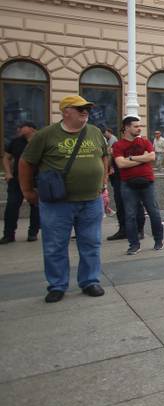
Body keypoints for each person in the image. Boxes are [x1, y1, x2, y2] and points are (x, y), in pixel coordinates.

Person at [18, 95, 109, 303]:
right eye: (80, 108)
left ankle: (90, 280)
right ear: (66, 111)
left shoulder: (94, 132)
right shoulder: (46, 135)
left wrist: (103, 184)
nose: (85, 111)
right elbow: (26, 162)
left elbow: (104, 156)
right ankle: (57, 285)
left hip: (91, 200)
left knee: (91, 243)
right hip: (57, 202)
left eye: (87, 108)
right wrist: (27, 191)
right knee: (55, 245)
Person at [112, 116, 164, 255]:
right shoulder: (118, 145)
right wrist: (142, 158)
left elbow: (152, 157)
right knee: (130, 215)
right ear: (127, 127)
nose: (139, 128)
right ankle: (134, 245)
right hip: (128, 184)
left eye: (139, 125)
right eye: (135, 126)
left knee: (154, 213)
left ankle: (159, 241)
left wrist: (131, 158)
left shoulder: (144, 141)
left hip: (148, 182)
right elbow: (120, 164)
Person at [1, 121, 40, 244]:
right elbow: (6, 157)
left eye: (22, 127)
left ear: (31, 128)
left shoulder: (41, 140)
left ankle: (33, 233)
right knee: (12, 206)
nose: (19, 129)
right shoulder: (16, 141)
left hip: (36, 180)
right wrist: (8, 173)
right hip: (17, 180)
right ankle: (8, 234)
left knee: (36, 208)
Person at [105, 125, 144, 242]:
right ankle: (123, 230)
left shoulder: (139, 144)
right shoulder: (118, 145)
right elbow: (112, 157)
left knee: (136, 204)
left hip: (132, 178)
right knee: (120, 204)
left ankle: (138, 230)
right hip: (118, 177)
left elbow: (145, 158)